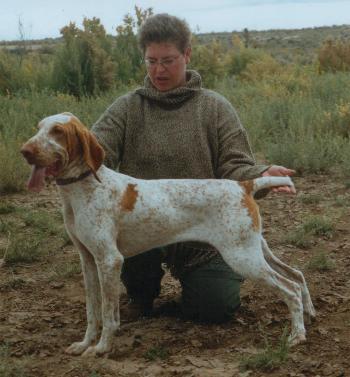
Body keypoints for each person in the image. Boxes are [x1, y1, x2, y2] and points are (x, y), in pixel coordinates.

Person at [91, 13, 295, 324]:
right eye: (151, 61)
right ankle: (140, 294)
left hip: (204, 229)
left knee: (214, 308)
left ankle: (198, 287)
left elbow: (235, 166)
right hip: (142, 229)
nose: (159, 70)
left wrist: (261, 175)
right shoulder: (127, 108)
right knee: (132, 253)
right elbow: (94, 153)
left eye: (169, 60)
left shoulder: (215, 108)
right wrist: (63, 155)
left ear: (187, 54)